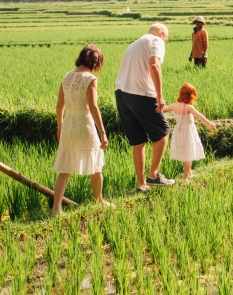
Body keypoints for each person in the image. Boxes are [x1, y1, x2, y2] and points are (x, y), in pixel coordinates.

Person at [115, 23, 174, 191]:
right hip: (140, 93)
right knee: (163, 132)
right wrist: (159, 95)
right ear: (162, 34)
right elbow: (154, 65)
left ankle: (141, 183)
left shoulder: (136, 43)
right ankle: (154, 175)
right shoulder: (156, 41)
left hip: (121, 94)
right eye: (166, 39)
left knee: (139, 141)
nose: (165, 42)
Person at [52, 44, 110, 215]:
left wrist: (60, 126)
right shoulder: (90, 79)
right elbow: (93, 107)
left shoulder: (66, 77)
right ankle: (98, 200)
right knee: (97, 164)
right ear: (96, 62)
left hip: (69, 123)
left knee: (64, 170)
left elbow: (58, 106)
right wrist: (103, 132)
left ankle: (56, 208)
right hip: (84, 124)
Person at [163, 83, 216, 180]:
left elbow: (164, 109)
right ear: (191, 96)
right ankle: (185, 178)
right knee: (189, 156)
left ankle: (189, 173)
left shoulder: (174, 106)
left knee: (186, 151)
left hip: (179, 131)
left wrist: (159, 102)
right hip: (188, 132)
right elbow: (200, 116)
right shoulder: (189, 107)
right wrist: (209, 123)